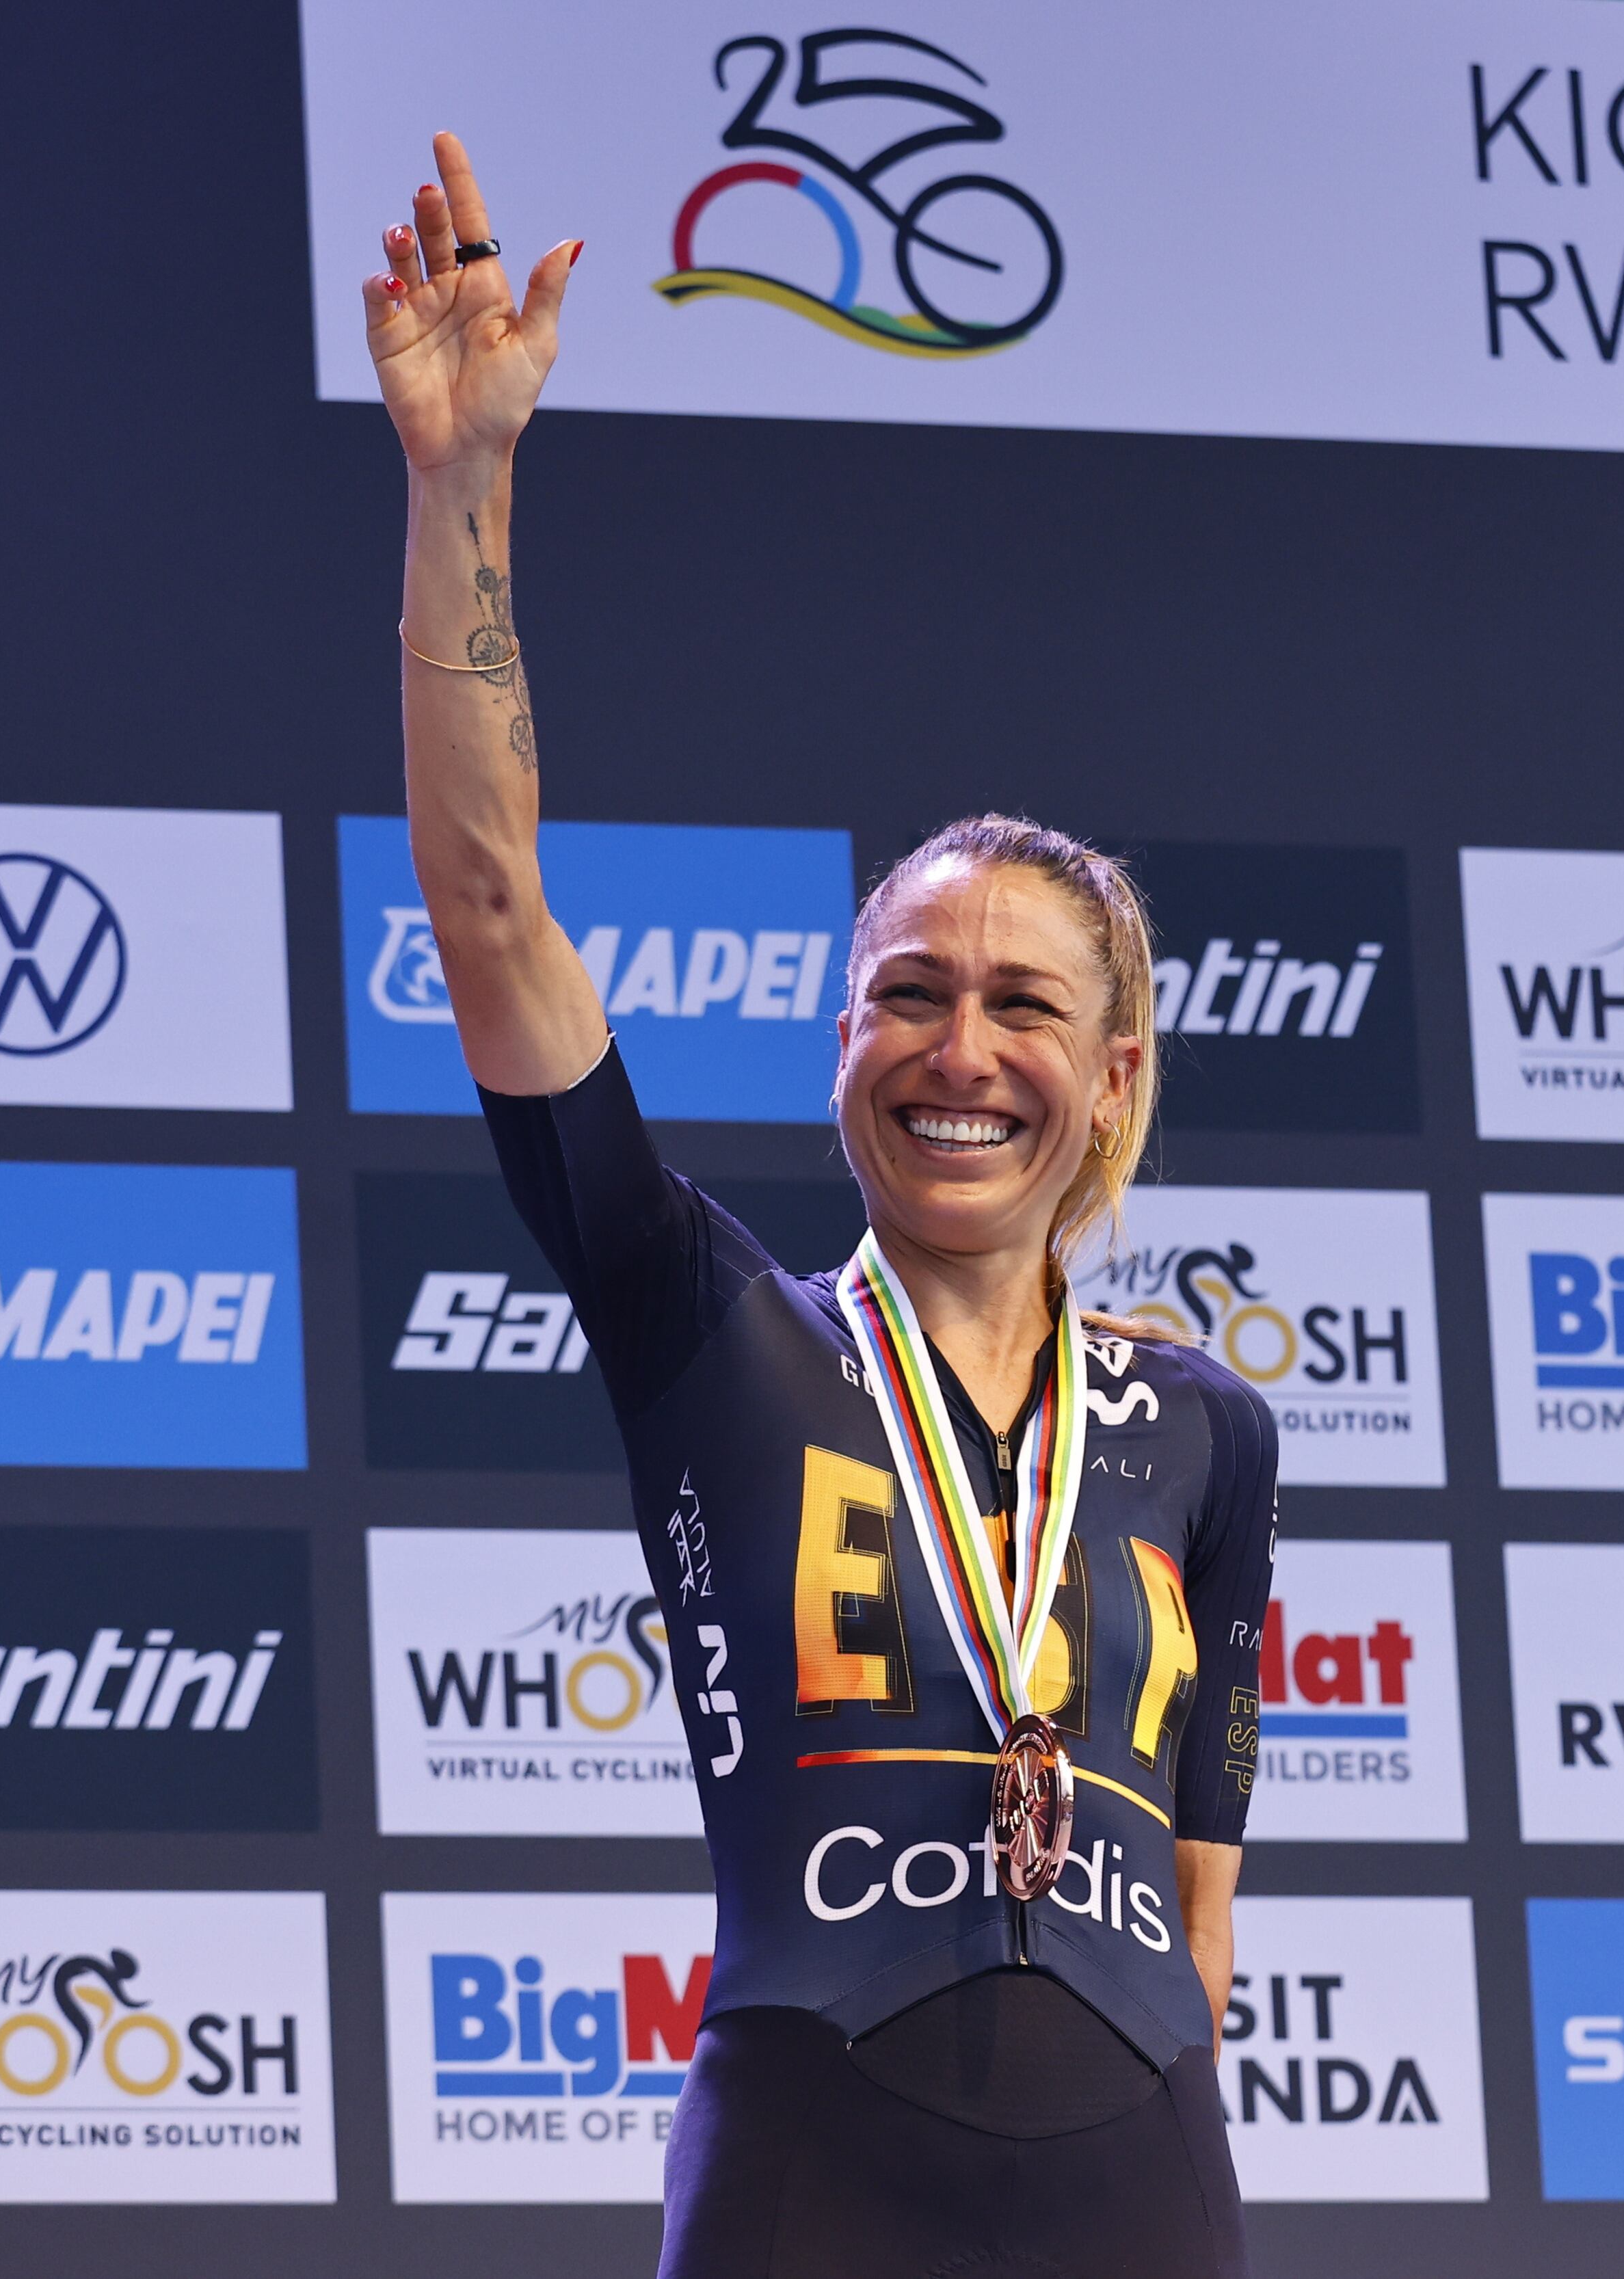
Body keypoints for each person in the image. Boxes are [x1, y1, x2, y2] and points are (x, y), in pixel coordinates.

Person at [364, 133, 1269, 2279]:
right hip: (811, 2168)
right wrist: (460, 483)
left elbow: (1202, 1915)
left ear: (1110, 1078)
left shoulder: (1208, 1431)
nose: (963, 1050)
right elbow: (490, 908)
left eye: (1026, 1007)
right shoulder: (712, 1324)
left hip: (1139, 2182)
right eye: (910, 996)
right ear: (842, 1042)